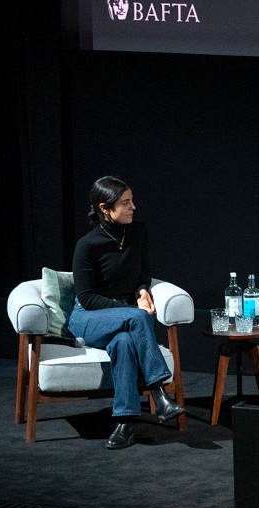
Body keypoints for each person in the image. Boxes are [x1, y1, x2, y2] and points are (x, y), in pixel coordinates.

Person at [68, 176, 186, 449]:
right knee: (139, 317)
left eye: (132, 200)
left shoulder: (138, 232)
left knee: (123, 343)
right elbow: (87, 298)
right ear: (105, 208)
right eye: (125, 203)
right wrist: (131, 309)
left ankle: (125, 424)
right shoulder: (87, 245)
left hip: (123, 315)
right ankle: (160, 396)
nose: (133, 207)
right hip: (87, 317)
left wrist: (142, 291)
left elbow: (142, 273)